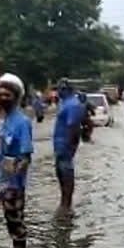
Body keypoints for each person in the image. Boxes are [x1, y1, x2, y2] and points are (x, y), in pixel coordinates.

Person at [0, 73, 33, 248]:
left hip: (14, 186)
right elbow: (2, 156)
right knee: (11, 226)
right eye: (0, 94)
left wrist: (8, 185)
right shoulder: (7, 120)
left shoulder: (22, 122)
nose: (2, 98)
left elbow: (25, 158)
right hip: (5, 184)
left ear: (16, 97)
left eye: (7, 95)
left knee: (17, 228)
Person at [53, 81, 86, 212]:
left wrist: (70, 146)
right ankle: (64, 201)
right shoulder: (65, 103)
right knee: (60, 172)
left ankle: (67, 204)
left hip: (65, 145)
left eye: (60, 89)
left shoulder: (72, 104)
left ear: (66, 90)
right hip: (60, 145)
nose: (57, 92)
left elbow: (73, 127)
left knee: (66, 172)